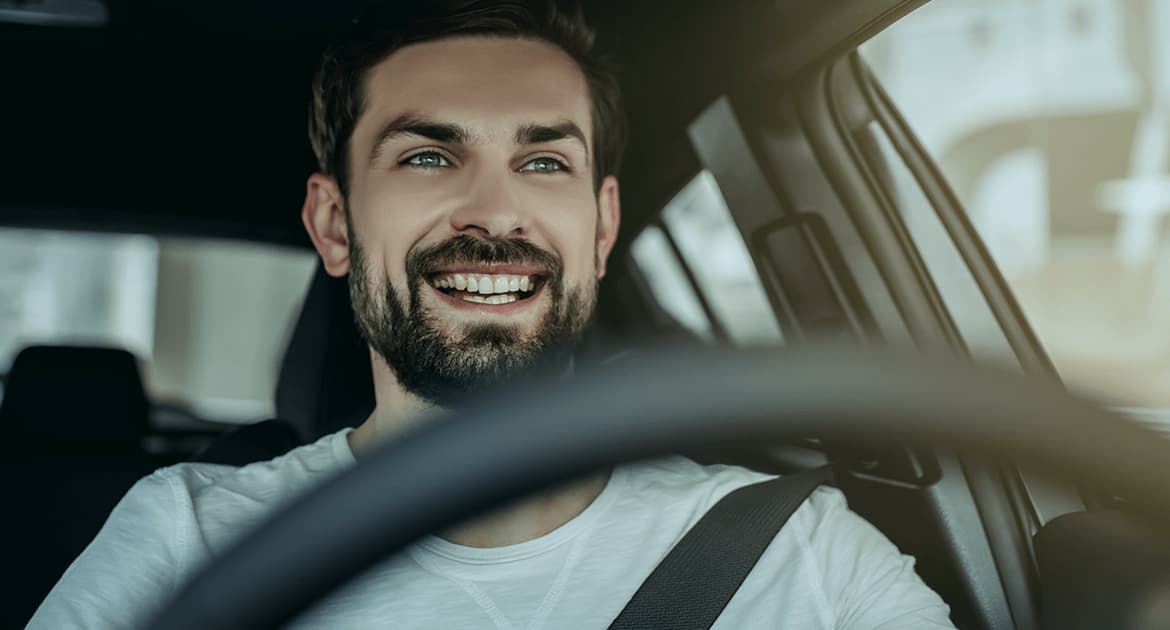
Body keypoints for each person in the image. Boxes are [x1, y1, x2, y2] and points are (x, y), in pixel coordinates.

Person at [29, 1, 956, 628]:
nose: (494, 212)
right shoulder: (185, 541)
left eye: (544, 161)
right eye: (429, 157)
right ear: (334, 223)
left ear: (601, 228)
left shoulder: (800, 557)